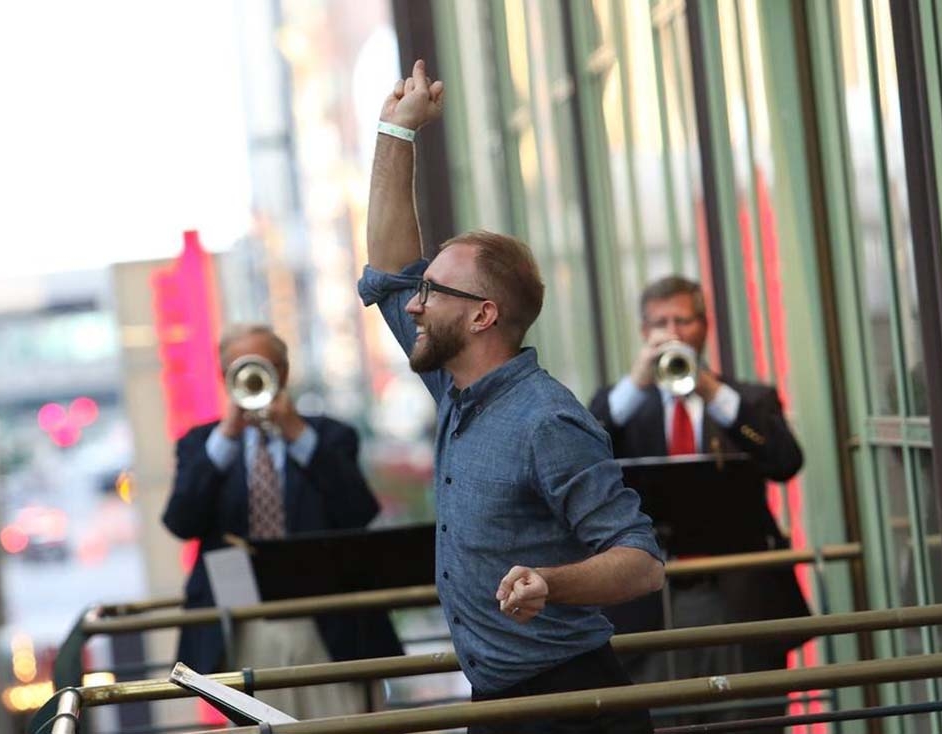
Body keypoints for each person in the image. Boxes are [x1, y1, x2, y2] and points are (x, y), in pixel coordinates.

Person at [359, 60, 664, 734]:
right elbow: (385, 273)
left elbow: (641, 564)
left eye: (433, 291)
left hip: (573, 709)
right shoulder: (455, 389)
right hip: (500, 705)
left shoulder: (547, 419)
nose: (414, 304)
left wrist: (552, 582)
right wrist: (395, 131)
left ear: (482, 315)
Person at [589, 275, 807, 726]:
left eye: (682, 321)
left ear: (704, 327)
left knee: (752, 718)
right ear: (643, 331)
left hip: (738, 599)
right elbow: (586, 456)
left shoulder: (748, 400)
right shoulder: (621, 406)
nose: (672, 332)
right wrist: (636, 380)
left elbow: (784, 461)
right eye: (659, 322)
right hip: (653, 603)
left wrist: (710, 390)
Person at [161, 324, 402, 718]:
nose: (251, 378)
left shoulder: (330, 435)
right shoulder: (201, 444)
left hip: (329, 622)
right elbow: (180, 522)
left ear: (284, 372)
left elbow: (358, 510)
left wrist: (295, 432)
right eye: (238, 370)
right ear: (224, 379)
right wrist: (226, 437)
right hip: (245, 621)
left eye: (263, 366)